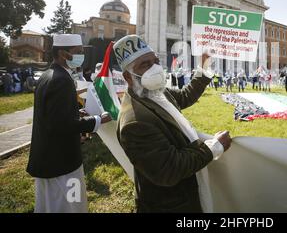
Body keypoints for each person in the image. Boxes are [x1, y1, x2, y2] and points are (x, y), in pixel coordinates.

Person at [114, 35, 232, 213]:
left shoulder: (154, 92)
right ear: (128, 77)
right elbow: (170, 169)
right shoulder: (135, 122)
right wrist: (214, 147)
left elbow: (185, 96)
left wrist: (205, 66)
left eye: (155, 61)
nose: (155, 68)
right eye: (145, 65)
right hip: (170, 205)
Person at [26, 34, 112, 213]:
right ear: (64, 54)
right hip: (61, 162)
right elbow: (62, 125)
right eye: (78, 52)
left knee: (49, 205)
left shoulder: (48, 75)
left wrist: (74, 112)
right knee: (68, 205)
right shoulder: (62, 80)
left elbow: (52, 115)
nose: (82, 56)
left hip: (48, 158)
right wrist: (97, 120)